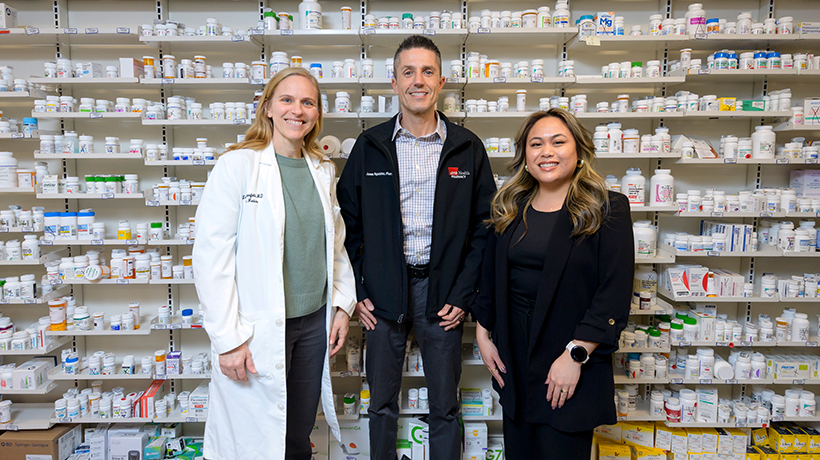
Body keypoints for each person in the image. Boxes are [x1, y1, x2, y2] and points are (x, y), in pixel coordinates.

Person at [337, 35, 496, 460]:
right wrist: (360, 289)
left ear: (441, 81)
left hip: (443, 295)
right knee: (381, 405)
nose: (418, 81)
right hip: (384, 292)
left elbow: (486, 230)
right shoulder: (369, 147)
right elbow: (345, 226)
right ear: (394, 82)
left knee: (446, 407)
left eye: (427, 72)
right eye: (408, 72)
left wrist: (464, 294)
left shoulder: (467, 147)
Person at [193, 66, 357, 460]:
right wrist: (229, 340)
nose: (296, 110)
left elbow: (334, 245)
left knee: (298, 433)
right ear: (267, 107)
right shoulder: (237, 165)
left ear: (317, 113)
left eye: (307, 102)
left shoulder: (322, 168)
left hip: (313, 323)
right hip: (257, 327)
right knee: (255, 442)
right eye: (287, 99)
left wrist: (341, 304)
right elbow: (210, 256)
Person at [471, 108, 633, 459]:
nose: (547, 151)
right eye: (536, 144)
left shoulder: (607, 209)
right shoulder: (511, 208)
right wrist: (483, 335)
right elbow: (492, 276)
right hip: (515, 358)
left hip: (570, 355)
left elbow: (614, 294)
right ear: (525, 157)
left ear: (578, 153)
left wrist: (575, 356)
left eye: (558, 142)